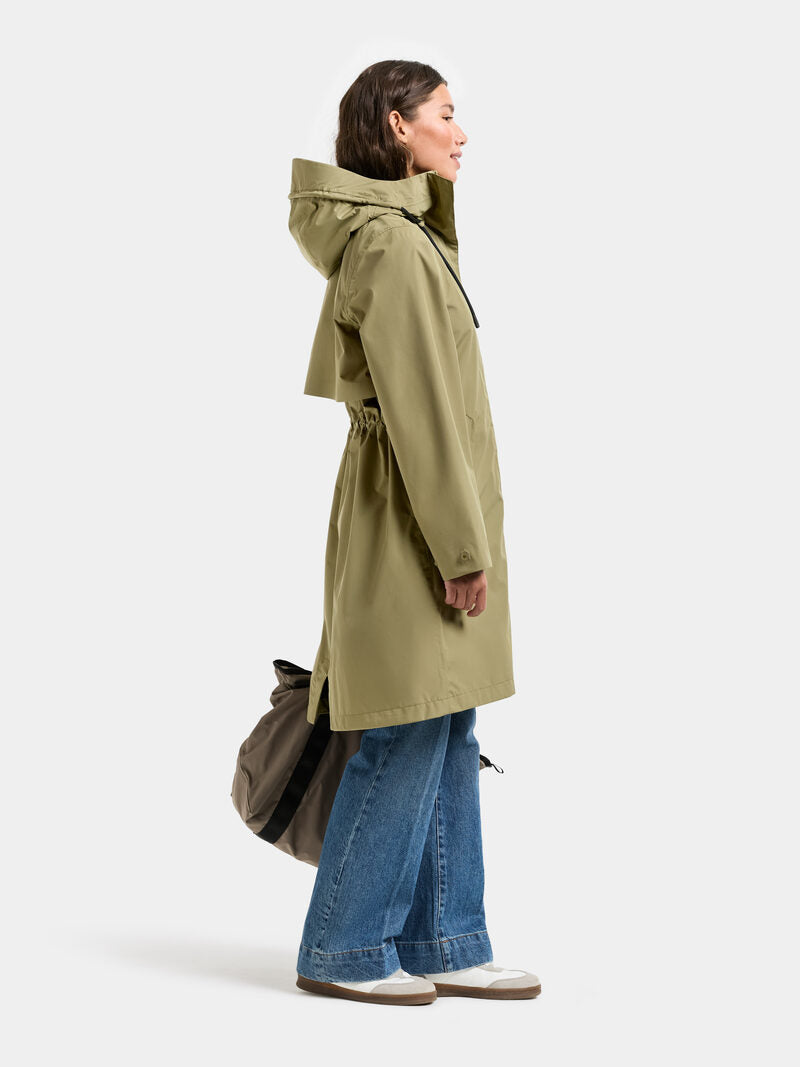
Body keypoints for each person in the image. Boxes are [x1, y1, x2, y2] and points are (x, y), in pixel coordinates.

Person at [287, 59, 540, 1005]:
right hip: (412, 519)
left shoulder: (407, 235)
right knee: (405, 722)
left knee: (446, 716)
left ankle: (446, 936)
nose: (461, 133)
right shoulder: (392, 245)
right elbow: (423, 412)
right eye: (445, 113)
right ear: (398, 126)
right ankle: (344, 946)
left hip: (421, 510)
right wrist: (461, 550)